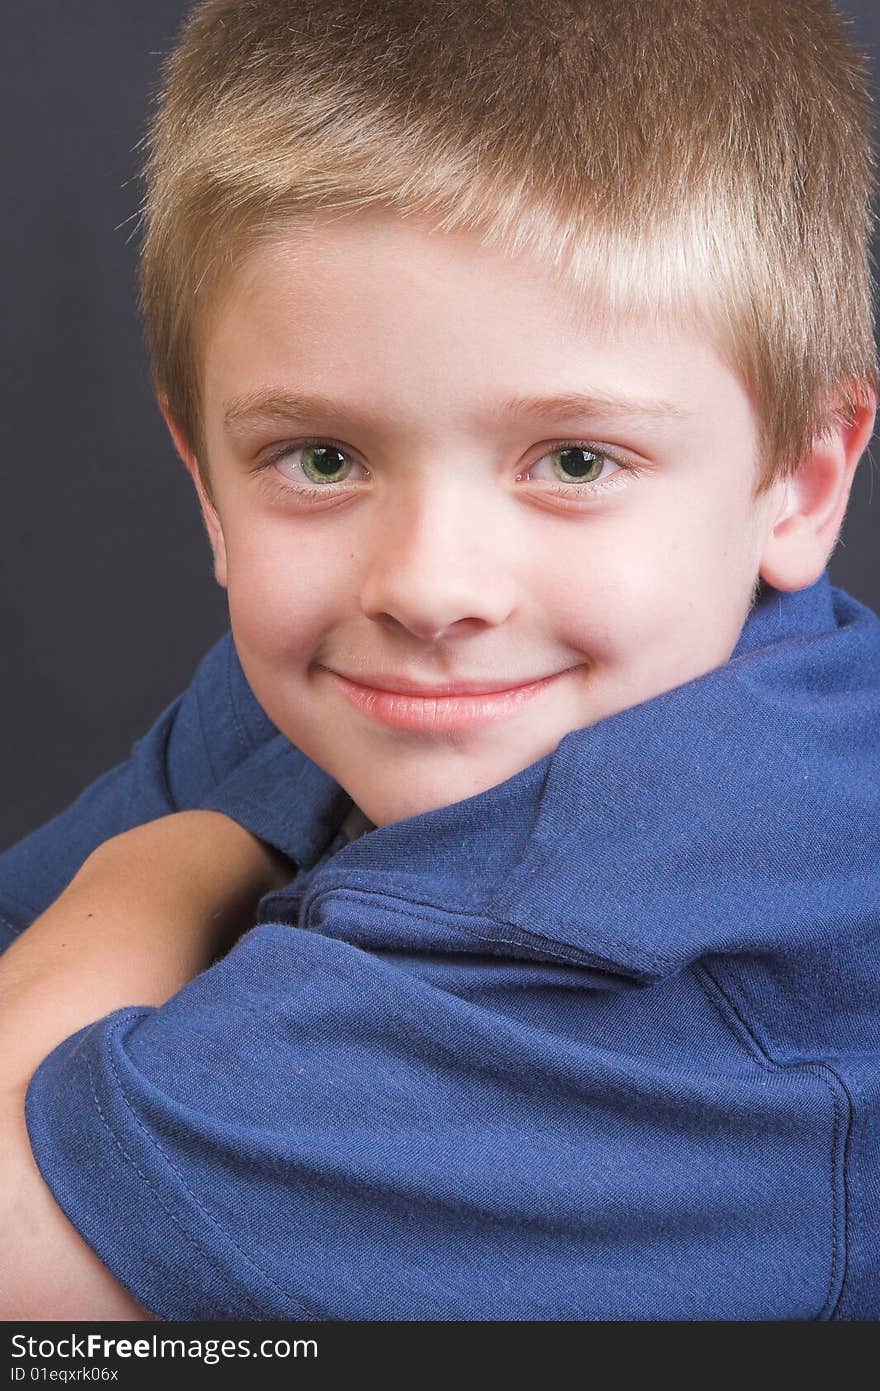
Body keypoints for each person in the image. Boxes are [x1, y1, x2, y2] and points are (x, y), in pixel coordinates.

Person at [1, 0, 878, 1320]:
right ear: (209, 487)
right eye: (321, 460)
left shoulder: (629, 935)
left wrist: (162, 861)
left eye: (577, 462)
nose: (428, 587)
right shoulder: (364, 694)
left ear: (802, 483)